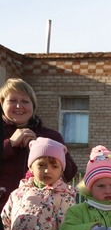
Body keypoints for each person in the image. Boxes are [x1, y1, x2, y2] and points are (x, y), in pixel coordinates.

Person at [1, 78, 78, 210]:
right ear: (2, 104)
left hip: (42, 216)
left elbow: (70, 172)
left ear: (33, 106)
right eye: (12, 101)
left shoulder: (51, 137)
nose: (19, 106)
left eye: (25, 101)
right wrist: (10, 144)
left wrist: (42, 150)